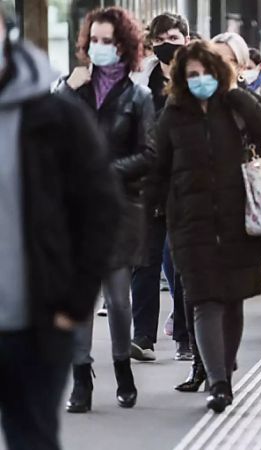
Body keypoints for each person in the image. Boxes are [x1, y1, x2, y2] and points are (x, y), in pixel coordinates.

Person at [0, 6, 122, 448]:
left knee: (31, 437)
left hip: (34, 323)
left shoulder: (55, 116)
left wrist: (73, 304)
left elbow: (100, 207)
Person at [152, 41, 261, 413]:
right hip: (191, 225)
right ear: (180, 78)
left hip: (238, 222)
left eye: (207, 72)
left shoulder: (233, 106)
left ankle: (223, 366)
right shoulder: (173, 115)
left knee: (232, 300)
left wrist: (237, 95)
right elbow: (157, 168)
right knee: (204, 300)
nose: (200, 80)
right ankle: (219, 383)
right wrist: (156, 215)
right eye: (192, 75)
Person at [55, 6, 156, 412]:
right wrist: (65, 89)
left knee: (118, 299)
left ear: (124, 46)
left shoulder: (139, 95)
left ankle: (123, 369)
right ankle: (81, 378)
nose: (98, 48)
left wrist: (104, 171)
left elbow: (149, 153)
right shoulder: (72, 88)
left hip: (119, 207)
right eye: (93, 40)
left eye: (107, 41)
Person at [130, 11, 193, 363]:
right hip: (148, 183)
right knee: (145, 261)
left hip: (186, 183)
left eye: (174, 38)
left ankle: (184, 336)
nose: (168, 45)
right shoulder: (142, 79)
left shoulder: (198, 75)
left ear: (186, 38)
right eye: (162, 39)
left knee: (182, 263)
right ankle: (143, 337)